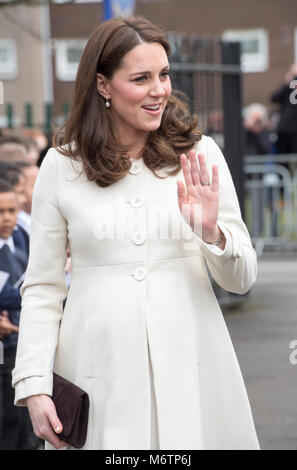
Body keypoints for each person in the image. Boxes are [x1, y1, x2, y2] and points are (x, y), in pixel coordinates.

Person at [12, 17, 259, 450]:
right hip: (97, 369)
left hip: (194, 362)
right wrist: (33, 383)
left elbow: (242, 278)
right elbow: (43, 287)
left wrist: (211, 233)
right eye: (141, 78)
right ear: (103, 85)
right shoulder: (61, 166)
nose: (159, 90)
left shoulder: (199, 153)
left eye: (163, 74)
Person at [0, 180, 38, 449]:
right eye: (0, 212)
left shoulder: (20, 238)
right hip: (6, 340)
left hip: (20, 339)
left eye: (12, 211)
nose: (7, 219)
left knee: (21, 414)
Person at [270, 63, 297, 154]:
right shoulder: (288, 88)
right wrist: (287, 83)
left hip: (294, 131)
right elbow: (274, 98)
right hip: (284, 129)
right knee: (283, 159)